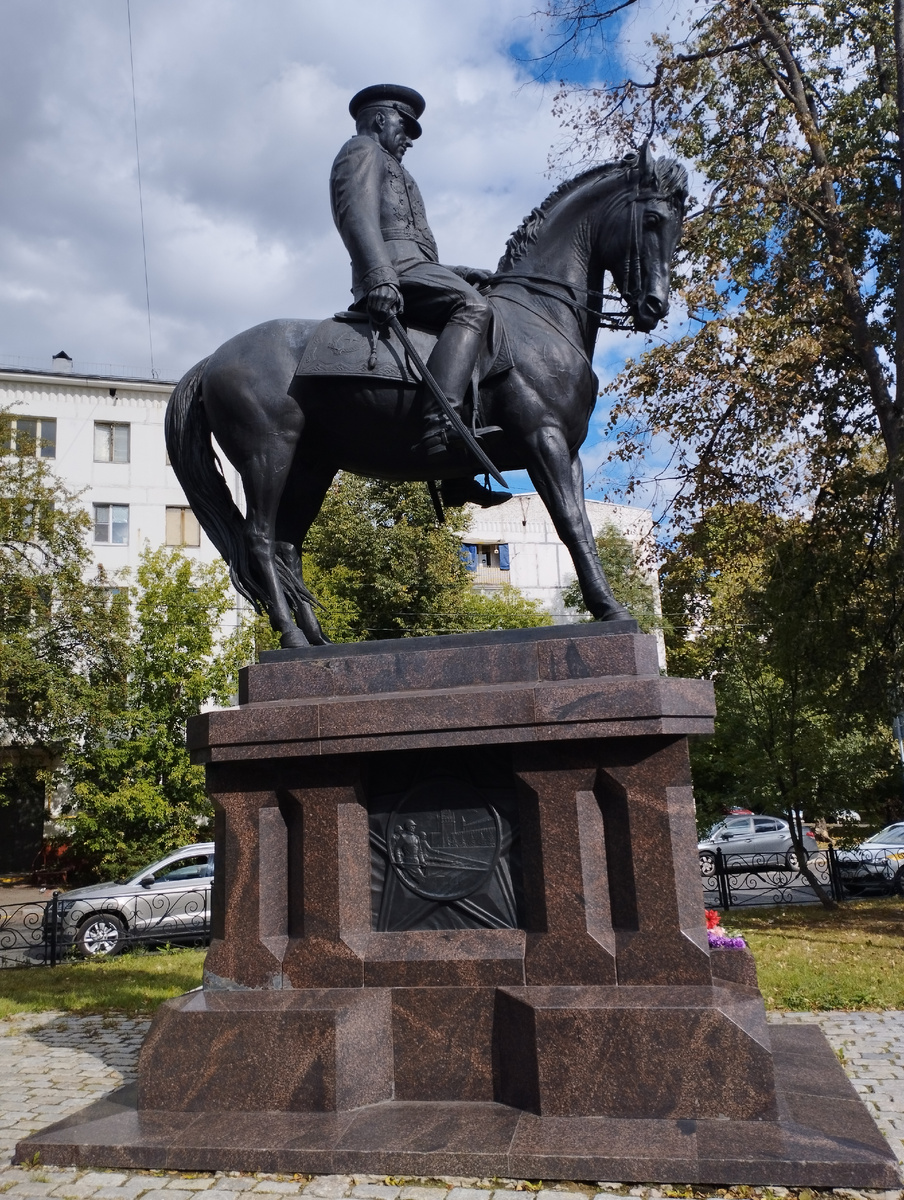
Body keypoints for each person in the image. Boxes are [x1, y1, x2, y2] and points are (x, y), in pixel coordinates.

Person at [330, 84, 499, 457]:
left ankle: (457, 465)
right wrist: (380, 275)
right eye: (403, 128)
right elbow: (356, 216)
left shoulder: (402, 172)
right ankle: (440, 426)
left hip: (413, 268)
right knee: (474, 307)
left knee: (484, 306)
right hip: (394, 272)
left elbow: (414, 245)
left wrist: (460, 271)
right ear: (379, 118)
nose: (408, 140)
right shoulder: (361, 150)